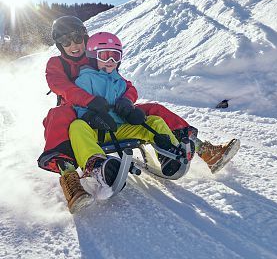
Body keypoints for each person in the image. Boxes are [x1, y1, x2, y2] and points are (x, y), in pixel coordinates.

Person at [37, 16, 240, 211]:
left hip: (111, 112)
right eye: (66, 41)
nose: (73, 45)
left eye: (77, 38)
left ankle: (201, 149)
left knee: (154, 110)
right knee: (59, 116)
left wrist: (126, 101)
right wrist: (90, 104)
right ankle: (70, 176)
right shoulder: (58, 64)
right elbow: (60, 86)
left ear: (85, 37)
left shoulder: (97, 55)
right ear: (59, 45)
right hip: (78, 111)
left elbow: (125, 84)